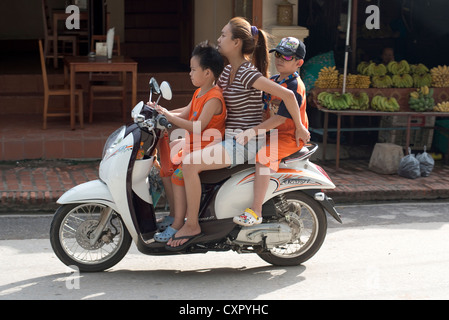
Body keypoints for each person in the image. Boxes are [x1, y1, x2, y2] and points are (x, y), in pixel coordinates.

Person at [165, 17, 310, 250]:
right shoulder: (227, 72)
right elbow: (198, 105)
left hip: (246, 143)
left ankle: (192, 225)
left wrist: (301, 127)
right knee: (178, 154)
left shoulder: (246, 73)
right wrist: (163, 113)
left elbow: (289, 96)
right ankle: (180, 219)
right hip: (228, 139)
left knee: (190, 164)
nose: (219, 39)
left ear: (236, 43)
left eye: (223, 35)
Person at [149, 42, 226, 242]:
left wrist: (169, 117)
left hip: (208, 149)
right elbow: (183, 113)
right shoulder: (200, 92)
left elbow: (198, 126)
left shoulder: (214, 98)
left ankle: (180, 224)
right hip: (194, 147)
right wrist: (158, 113)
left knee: (177, 175)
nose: (190, 74)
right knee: (169, 170)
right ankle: (176, 216)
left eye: (193, 69)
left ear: (208, 73)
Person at [233, 37, 309, 226]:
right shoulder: (273, 81)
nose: (280, 59)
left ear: (299, 62)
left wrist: (251, 131)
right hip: (270, 133)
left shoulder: (295, 86)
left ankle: (256, 210)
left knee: (263, 157)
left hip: (290, 137)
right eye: (278, 54)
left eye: (287, 57)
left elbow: (280, 118)